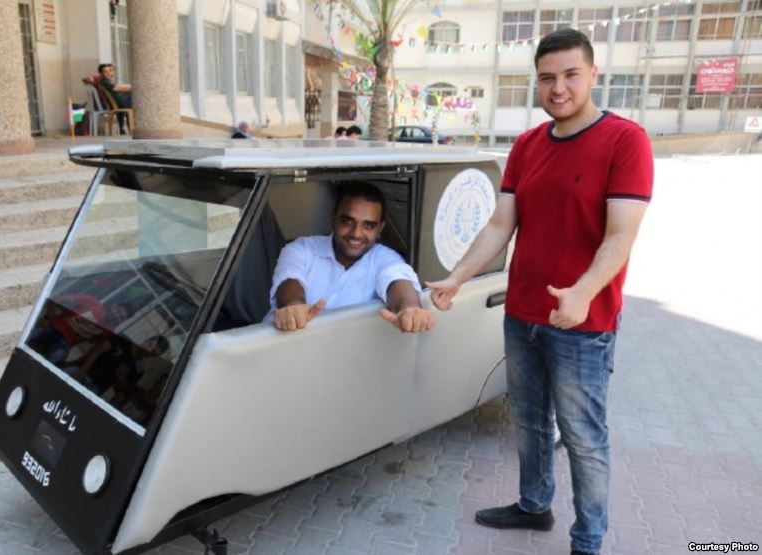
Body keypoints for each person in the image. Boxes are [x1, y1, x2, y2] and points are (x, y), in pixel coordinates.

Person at [427, 29, 653, 555]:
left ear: (593, 74)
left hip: (583, 323)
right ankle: (534, 505)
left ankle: (589, 541)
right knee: (529, 421)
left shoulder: (626, 141)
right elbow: (499, 226)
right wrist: (458, 276)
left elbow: (622, 234)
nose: (558, 88)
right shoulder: (527, 145)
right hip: (523, 313)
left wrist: (582, 292)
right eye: (547, 78)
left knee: (583, 436)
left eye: (571, 74)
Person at [269, 182, 434, 334]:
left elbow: (398, 280)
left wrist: (410, 308)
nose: (356, 233)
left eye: (368, 225)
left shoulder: (385, 259)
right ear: (333, 218)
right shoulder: (301, 249)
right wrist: (293, 307)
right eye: (347, 222)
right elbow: (290, 281)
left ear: (380, 229)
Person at [94, 63, 132, 134]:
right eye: (106, 71)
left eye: (111, 70)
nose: (109, 73)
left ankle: (124, 128)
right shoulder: (104, 82)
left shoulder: (108, 81)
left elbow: (119, 88)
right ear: (101, 73)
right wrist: (133, 86)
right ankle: (132, 128)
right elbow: (116, 88)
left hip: (121, 102)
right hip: (121, 103)